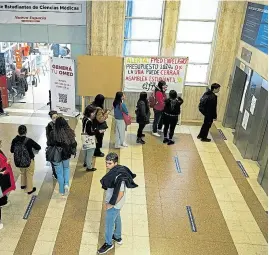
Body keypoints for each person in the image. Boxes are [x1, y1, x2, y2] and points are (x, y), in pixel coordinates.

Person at [98, 152, 138, 254]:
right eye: (106, 163)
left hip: (115, 203)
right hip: (118, 203)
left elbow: (120, 193)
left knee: (109, 224)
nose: (107, 165)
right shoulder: (118, 170)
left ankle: (108, 243)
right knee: (117, 218)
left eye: (110, 163)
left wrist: (110, 204)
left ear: (116, 163)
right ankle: (117, 236)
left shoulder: (118, 176)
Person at [47, 117, 77, 196]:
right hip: (66, 154)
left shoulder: (52, 133)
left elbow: (49, 144)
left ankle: (61, 191)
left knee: (59, 173)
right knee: (66, 168)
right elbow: (74, 143)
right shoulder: (69, 132)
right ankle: (66, 184)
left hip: (56, 156)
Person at [11, 125, 41, 194]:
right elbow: (38, 147)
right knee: (29, 174)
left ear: (18, 131)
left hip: (19, 161)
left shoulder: (14, 140)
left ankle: (23, 185)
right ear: (26, 131)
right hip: (29, 160)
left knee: (22, 173)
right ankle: (30, 189)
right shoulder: (29, 140)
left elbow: (12, 150)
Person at [82, 105, 105, 172]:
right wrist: (98, 131)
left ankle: (85, 163)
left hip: (84, 137)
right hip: (89, 139)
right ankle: (89, 167)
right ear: (90, 113)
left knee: (86, 151)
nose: (95, 115)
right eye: (94, 113)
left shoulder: (84, 118)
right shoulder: (89, 121)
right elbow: (90, 132)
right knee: (90, 153)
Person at [46, 110, 58, 179]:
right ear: (51, 118)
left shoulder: (60, 123)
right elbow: (49, 137)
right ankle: (55, 173)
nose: (56, 118)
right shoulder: (49, 126)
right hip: (53, 146)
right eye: (54, 117)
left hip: (59, 146)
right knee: (54, 161)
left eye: (56, 117)